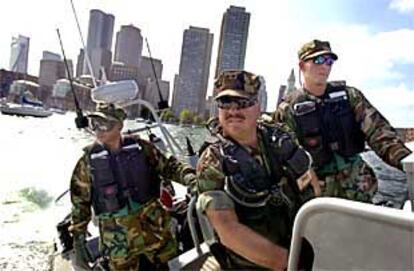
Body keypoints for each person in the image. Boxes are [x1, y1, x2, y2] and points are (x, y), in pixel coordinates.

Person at [196, 70, 320, 270]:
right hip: (251, 263)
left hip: (297, 246)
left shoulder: (280, 141)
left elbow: (311, 185)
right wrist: (288, 262)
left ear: (258, 107)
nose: (233, 111)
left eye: (243, 103)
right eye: (225, 103)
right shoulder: (212, 161)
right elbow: (228, 231)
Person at [274, 39, 412, 203]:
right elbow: (283, 154)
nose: (325, 66)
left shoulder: (351, 97)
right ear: (302, 66)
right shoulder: (288, 109)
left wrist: (407, 163)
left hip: (360, 191)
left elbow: (379, 132)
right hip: (319, 200)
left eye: (329, 61)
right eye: (318, 60)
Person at [69, 103, 196, 271]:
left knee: (169, 267)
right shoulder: (87, 163)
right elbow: (80, 203)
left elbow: (170, 167)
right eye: (94, 124)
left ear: (119, 126)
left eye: (104, 124)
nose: (99, 129)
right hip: (118, 242)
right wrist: (78, 241)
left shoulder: (142, 149)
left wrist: (191, 179)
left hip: (155, 231)